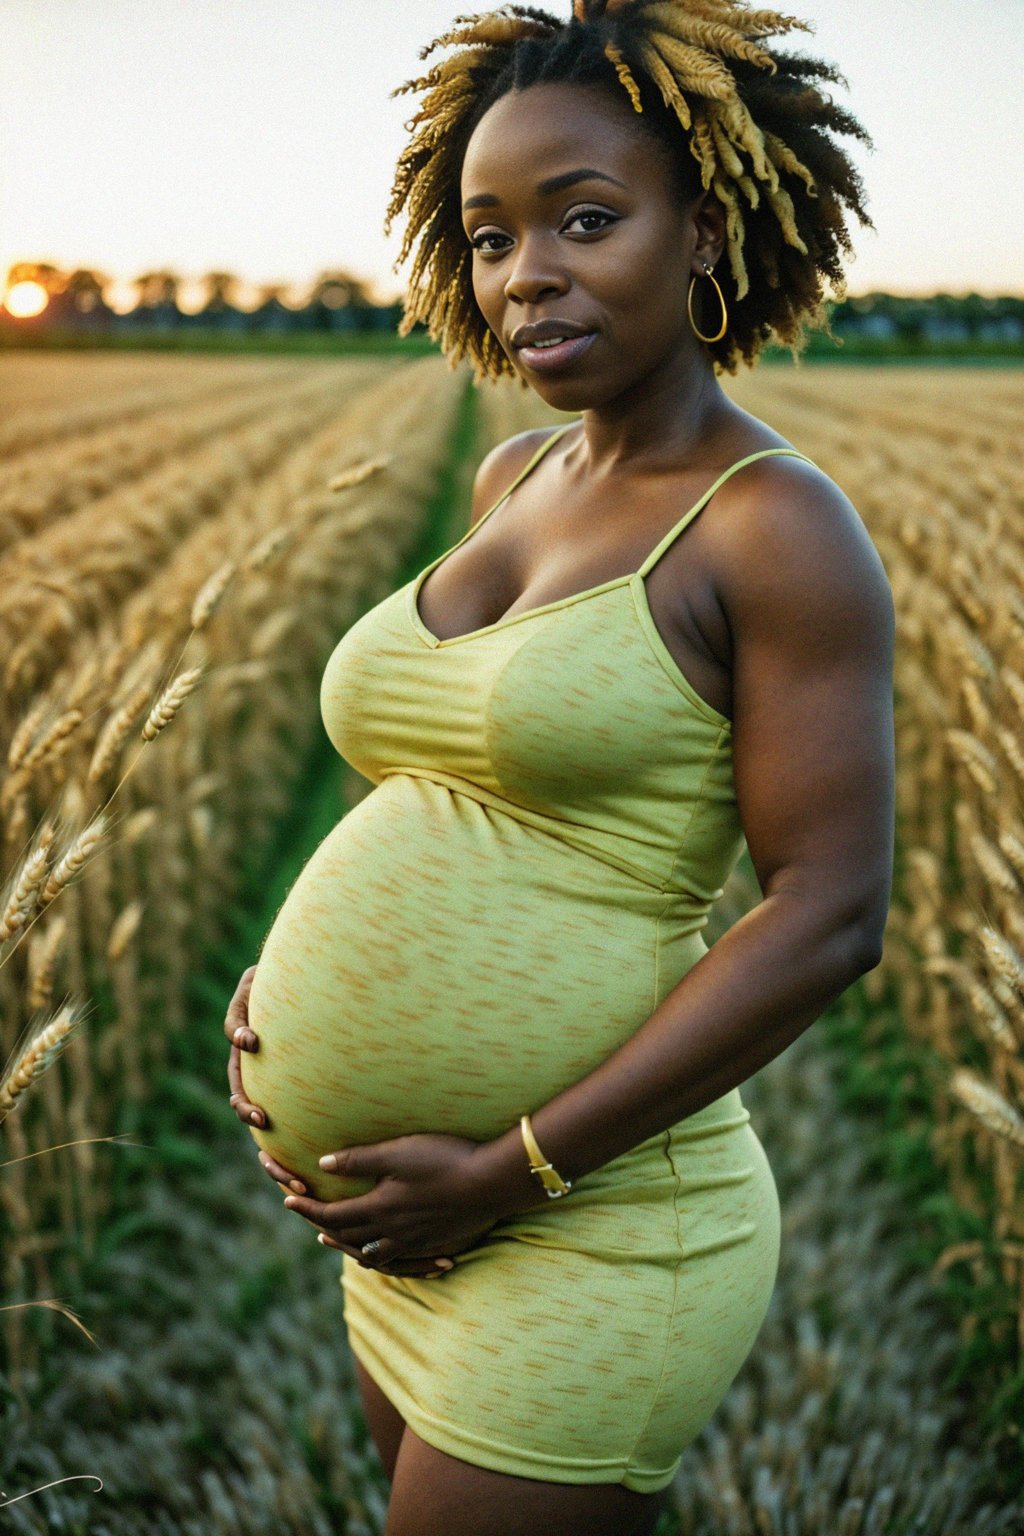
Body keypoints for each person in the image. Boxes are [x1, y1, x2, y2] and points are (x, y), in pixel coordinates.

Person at [225, 2, 895, 1532]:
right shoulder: (513, 474)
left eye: (586, 220)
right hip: (413, 1236)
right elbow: (454, 777)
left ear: (707, 230)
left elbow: (829, 912)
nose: (526, 273)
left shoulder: (769, 525)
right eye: (487, 236)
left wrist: (514, 1169)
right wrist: (301, 976)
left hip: (598, 1227)